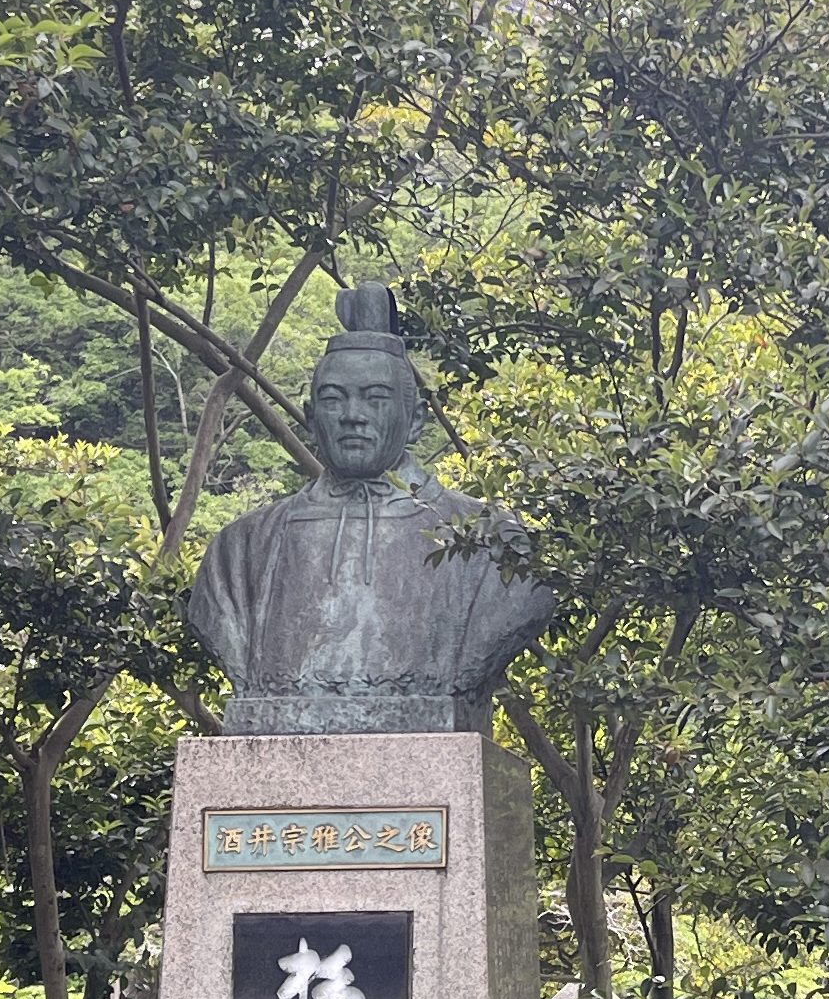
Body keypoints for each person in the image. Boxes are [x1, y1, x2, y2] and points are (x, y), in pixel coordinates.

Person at [185, 285, 553, 734]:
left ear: (415, 419)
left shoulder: (492, 543)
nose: (352, 415)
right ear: (310, 416)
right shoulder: (240, 550)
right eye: (334, 398)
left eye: (375, 398)